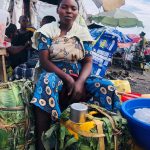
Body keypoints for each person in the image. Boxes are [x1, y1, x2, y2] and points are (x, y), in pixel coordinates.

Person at [31, 0, 120, 149]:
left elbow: (88, 62)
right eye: (64, 7)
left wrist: (79, 82)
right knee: (47, 80)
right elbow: (44, 61)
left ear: (77, 12)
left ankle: (102, 133)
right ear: (58, 10)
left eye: (73, 8)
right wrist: (66, 78)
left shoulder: (82, 32)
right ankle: (44, 140)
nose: (69, 11)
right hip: (54, 72)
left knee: (107, 86)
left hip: (78, 75)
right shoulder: (47, 30)